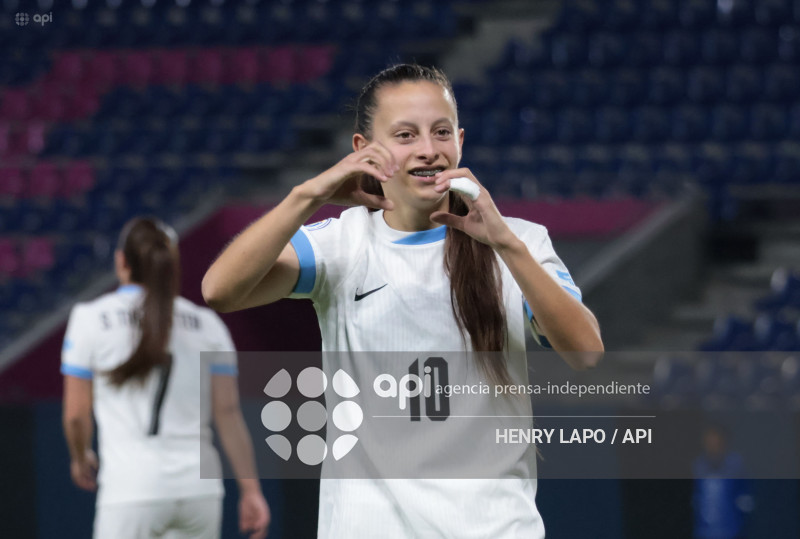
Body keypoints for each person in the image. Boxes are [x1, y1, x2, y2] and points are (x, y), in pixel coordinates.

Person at [202, 64, 603, 538]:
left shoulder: (522, 241)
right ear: (363, 149)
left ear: (460, 141)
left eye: (441, 132)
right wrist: (309, 194)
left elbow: (585, 353)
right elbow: (220, 290)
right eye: (406, 135)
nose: (428, 149)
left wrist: (507, 246)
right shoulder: (340, 243)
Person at [61, 217, 270, 539]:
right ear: (172, 265)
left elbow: (76, 415)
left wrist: (79, 457)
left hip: (130, 491)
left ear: (121, 261)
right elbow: (228, 414)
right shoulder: (208, 324)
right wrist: (251, 490)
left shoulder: (90, 319)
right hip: (199, 492)